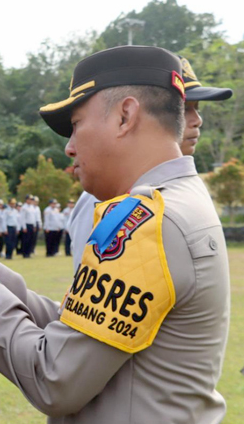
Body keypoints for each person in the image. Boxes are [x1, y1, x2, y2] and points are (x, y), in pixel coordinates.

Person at [0, 46, 230, 424]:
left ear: (125, 115)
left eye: (78, 124)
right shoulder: (174, 201)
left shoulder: (145, 219)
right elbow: (85, 330)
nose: (69, 147)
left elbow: (56, 376)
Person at [67, 54, 234, 270]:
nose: (197, 120)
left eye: (197, 108)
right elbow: (87, 284)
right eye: (184, 109)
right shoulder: (103, 195)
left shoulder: (177, 195)